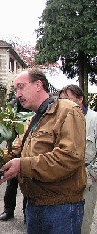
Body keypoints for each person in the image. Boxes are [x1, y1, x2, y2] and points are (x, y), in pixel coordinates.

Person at [0, 67, 87, 234]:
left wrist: (22, 166)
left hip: (61, 208)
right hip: (34, 206)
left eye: (20, 87)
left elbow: (69, 158)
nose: (17, 94)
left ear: (38, 84)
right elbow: (15, 150)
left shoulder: (68, 111)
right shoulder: (34, 119)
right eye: (15, 89)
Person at [59, 84, 97, 234]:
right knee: (64, 220)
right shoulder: (60, 120)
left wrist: (93, 175)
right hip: (64, 178)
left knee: (83, 222)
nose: (63, 103)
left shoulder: (94, 120)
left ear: (80, 99)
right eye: (61, 100)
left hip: (88, 178)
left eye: (68, 99)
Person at [0, 98, 29, 222]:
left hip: (30, 149)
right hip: (13, 148)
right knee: (11, 183)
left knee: (28, 183)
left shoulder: (36, 106)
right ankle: (8, 210)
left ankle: (27, 213)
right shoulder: (13, 104)